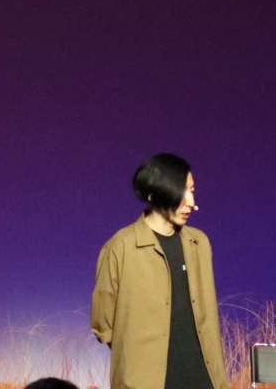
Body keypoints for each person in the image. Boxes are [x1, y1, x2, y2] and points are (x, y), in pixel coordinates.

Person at [90, 153, 226, 389]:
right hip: (144, 382)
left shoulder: (199, 243)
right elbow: (103, 323)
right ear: (153, 195)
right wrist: (137, 356)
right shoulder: (121, 247)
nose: (191, 202)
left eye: (192, 191)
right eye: (181, 192)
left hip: (203, 379)